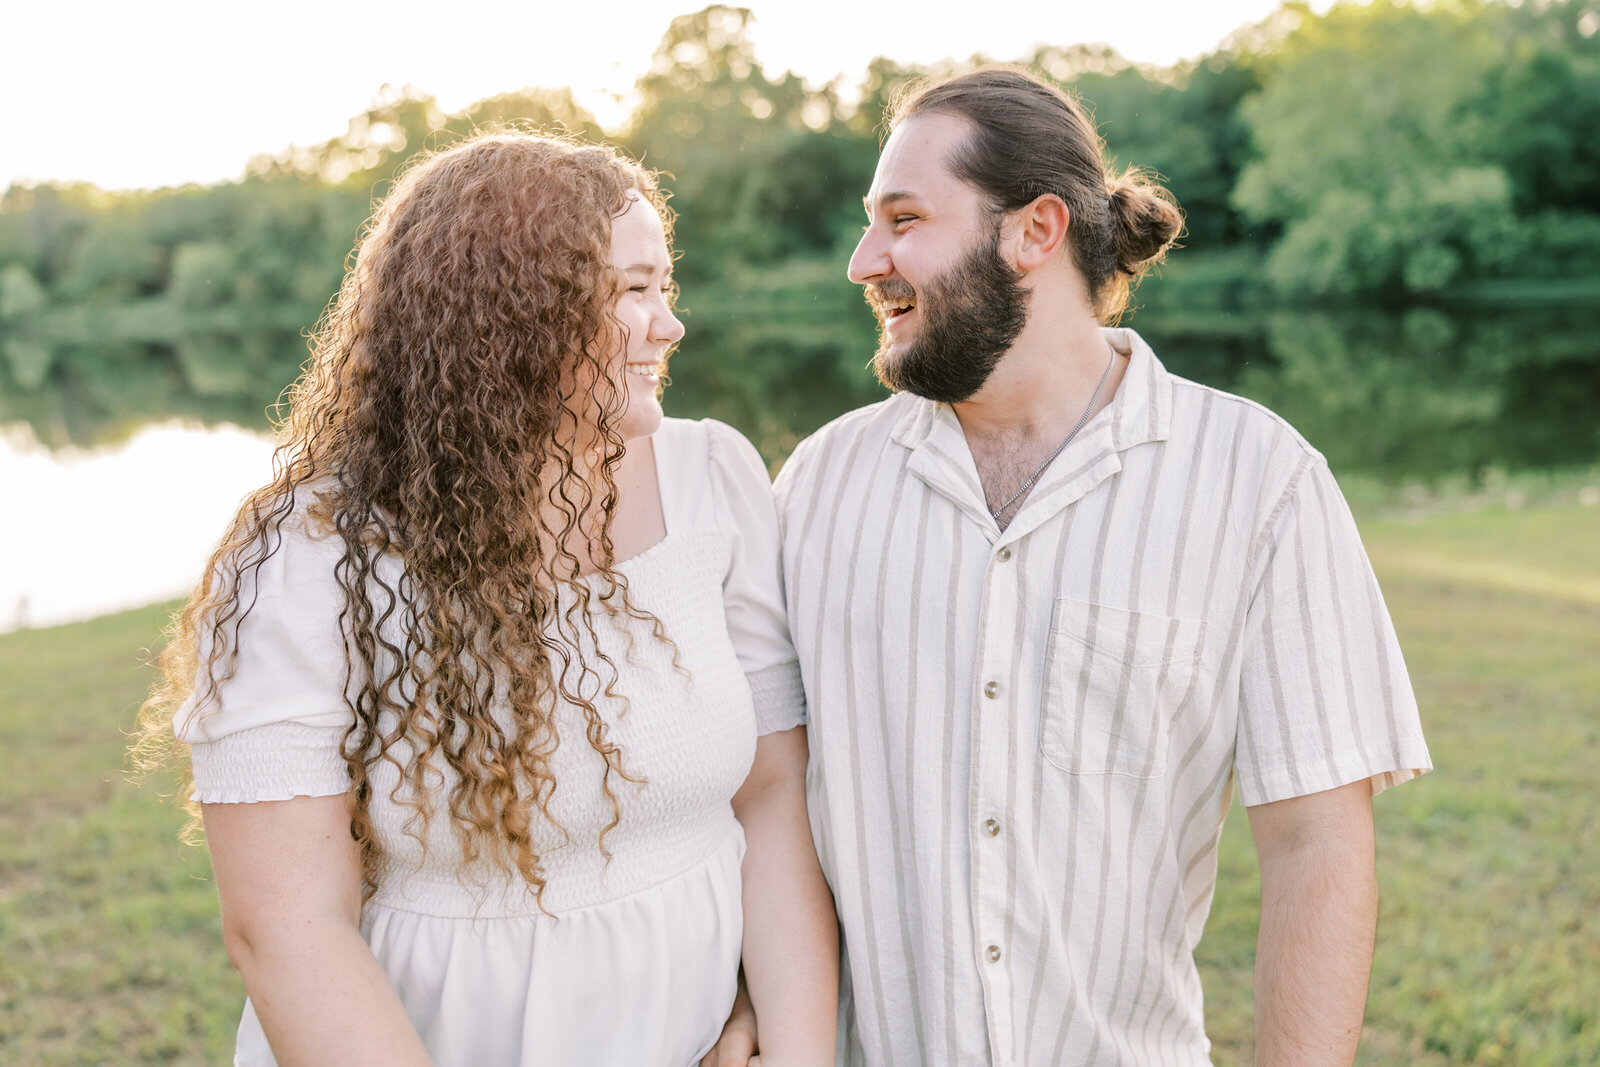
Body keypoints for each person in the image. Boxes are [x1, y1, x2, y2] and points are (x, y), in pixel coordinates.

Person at [768, 68, 1432, 1066]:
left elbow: (1315, 848)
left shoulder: (1259, 483)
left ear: (1035, 230)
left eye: (904, 219)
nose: (866, 260)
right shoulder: (815, 488)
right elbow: (766, 806)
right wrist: (747, 995)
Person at [134, 131, 837, 1066]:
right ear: (508, 312)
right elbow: (287, 929)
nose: (670, 324)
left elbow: (772, 794)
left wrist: (790, 1043)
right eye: (632, 290)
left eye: (665, 284)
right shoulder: (308, 556)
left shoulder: (717, 475)